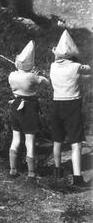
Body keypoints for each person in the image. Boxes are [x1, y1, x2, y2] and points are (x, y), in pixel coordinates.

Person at [50, 30, 91, 187]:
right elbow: (88, 70)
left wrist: (56, 54)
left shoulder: (53, 66)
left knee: (57, 140)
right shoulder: (77, 67)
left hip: (56, 103)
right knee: (76, 142)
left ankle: (57, 170)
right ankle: (77, 177)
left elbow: (58, 59)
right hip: (72, 104)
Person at [7, 41, 49, 182]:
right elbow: (45, 82)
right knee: (29, 140)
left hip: (16, 105)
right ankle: (31, 172)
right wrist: (37, 74)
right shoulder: (31, 77)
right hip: (29, 107)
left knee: (16, 138)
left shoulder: (12, 75)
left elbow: (22, 74)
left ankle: (13, 170)